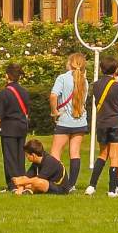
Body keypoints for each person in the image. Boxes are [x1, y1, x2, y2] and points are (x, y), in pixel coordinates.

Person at [47, 51, 89, 195]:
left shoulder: (63, 78)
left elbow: (53, 95)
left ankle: (58, 180)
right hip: (80, 120)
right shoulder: (84, 80)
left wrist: (54, 111)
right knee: (75, 152)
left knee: (55, 152)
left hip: (65, 120)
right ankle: (71, 184)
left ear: (70, 63)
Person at [0, 61, 33, 193]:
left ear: (7, 76)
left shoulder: (4, 94)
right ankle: (22, 181)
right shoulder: (24, 92)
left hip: (9, 128)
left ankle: (13, 184)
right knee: (19, 156)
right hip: (22, 126)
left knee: (9, 157)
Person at [90, 56, 118, 196]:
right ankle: (112, 189)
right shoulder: (117, 86)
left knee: (102, 154)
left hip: (102, 122)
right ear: (115, 70)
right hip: (116, 122)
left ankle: (92, 185)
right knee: (114, 156)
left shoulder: (95, 85)